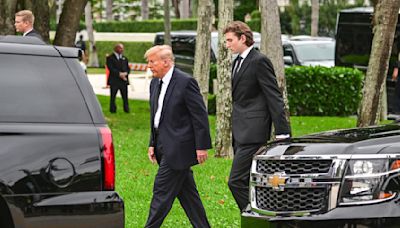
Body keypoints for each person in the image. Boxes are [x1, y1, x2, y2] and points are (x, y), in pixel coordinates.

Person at [223, 21, 291, 212]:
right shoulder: (238, 61)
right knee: (247, 180)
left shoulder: (259, 60)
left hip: (254, 132)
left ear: (242, 38)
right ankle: (260, 215)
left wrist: (283, 132)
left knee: (235, 181)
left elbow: (274, 96)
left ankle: (255, 216)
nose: (227, 45)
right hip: (240, 132)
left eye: (230, 40)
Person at [144, 45, 211, 228]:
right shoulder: (154, 83)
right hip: (162, 146)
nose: (149, 65)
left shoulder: (185, 82)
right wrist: (152, 143)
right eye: (148, 61)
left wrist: (201, 146)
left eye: (152, 61)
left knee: (161, 192)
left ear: (166, 62)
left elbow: (199, 116)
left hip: (179, 148)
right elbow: (156, 117)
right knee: (189, 196)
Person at [106, 43, 130, 113]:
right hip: (114, 80)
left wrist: (126, 73)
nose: (122, 50)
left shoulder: (124, 58)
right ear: (116, 48)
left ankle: (126, 109)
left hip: (123, 81)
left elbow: (127, 68)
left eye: (122, 48)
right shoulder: (110, 58)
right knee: (113, 96)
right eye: (120, 48)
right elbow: (111, 68)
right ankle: (113, 109)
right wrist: (119, 74)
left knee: (125, 96)